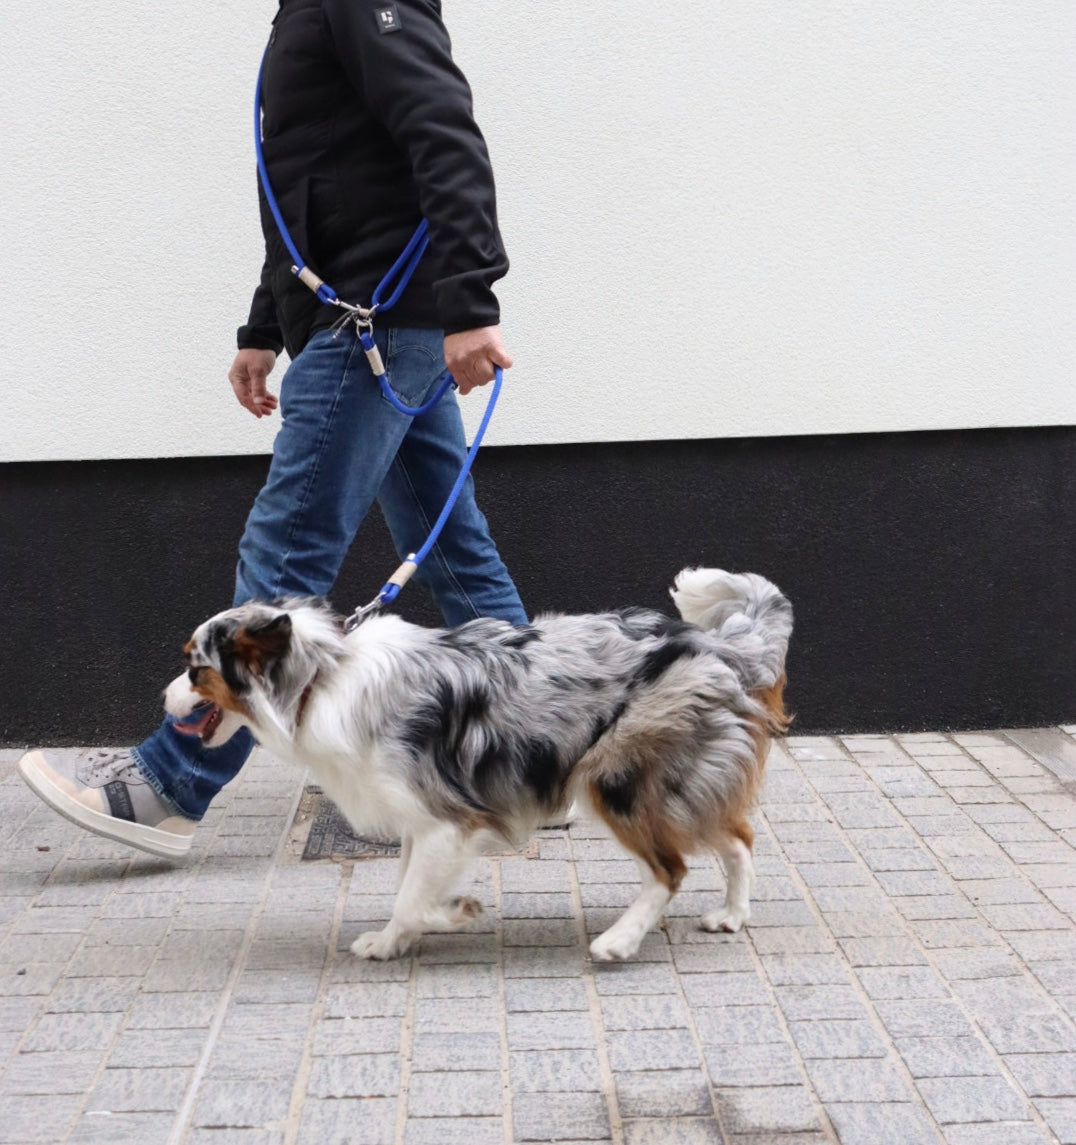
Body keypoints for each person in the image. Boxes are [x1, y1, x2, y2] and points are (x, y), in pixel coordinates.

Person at [18, 0, 527, 858]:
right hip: (365, 317)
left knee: (282, 560)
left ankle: (170, 786)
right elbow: (305, 186)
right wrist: (263, 324)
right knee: (452, 549)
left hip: (372, 324)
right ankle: (534, 754)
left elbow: (445, 130)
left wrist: (472, 300)